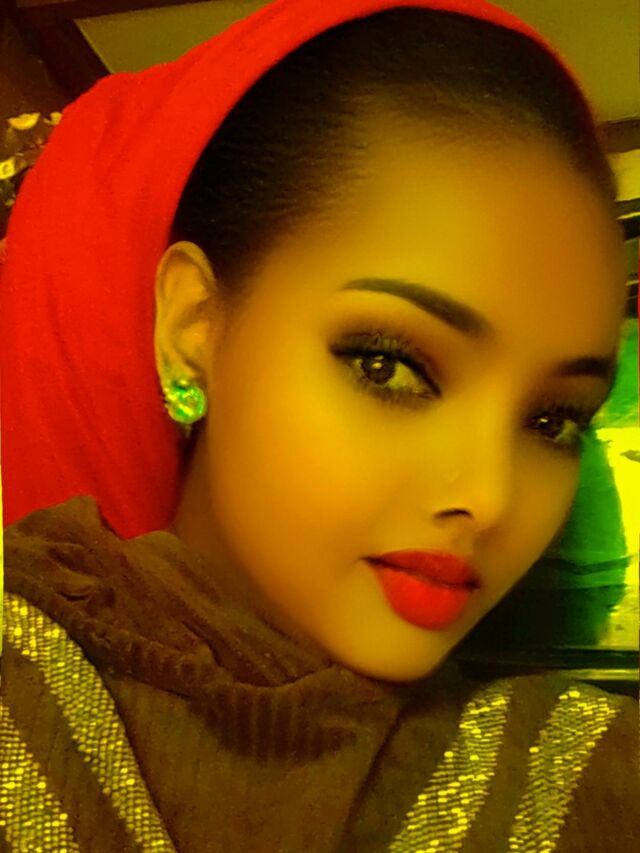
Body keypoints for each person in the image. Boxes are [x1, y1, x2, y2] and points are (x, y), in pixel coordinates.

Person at [1, 0, 637, 850]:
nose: (490, 496)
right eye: (389, 366)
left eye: (553, 420)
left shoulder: (588, 778)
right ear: (194, 325)